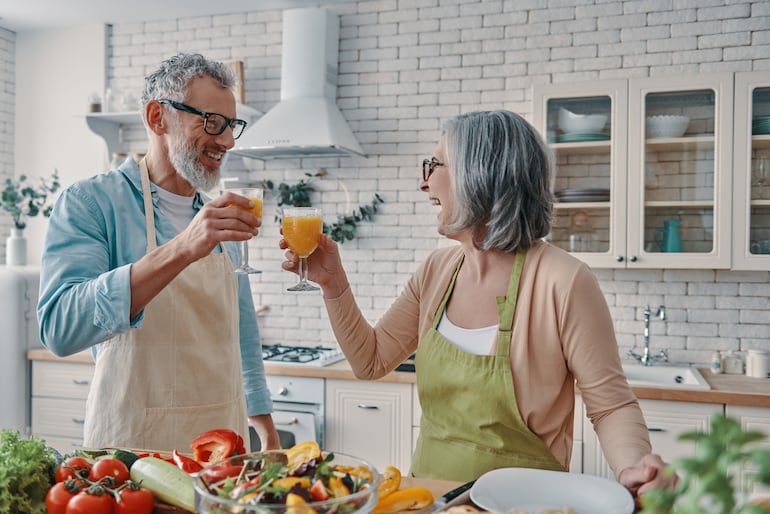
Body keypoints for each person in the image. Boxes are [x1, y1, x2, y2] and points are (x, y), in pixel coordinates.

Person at [280, 110, 677, 499]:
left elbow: (611, 406)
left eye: (434, 165)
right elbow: (369, 362)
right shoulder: (437, 270)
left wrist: (634, 467)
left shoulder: (564, 280)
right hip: (429, 498)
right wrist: (333, 283)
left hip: (526, 505)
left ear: (478, 176)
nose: (424, 183)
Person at [37, 53, 280, 453]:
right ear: (157, 118)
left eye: (231, 125)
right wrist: (184, 247)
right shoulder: (91, 203)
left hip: (224, 446)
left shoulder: (218, 217)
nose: (227, 141)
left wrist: (265, 427)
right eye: (212, 122)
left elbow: (242, 333)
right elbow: (59, 330)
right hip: (132, 453)